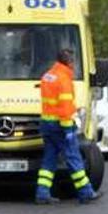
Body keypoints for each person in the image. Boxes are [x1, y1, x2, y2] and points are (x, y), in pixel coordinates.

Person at [36, 48, 100, 204]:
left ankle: (42, 193)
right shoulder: (63, 79)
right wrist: (68, 129)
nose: (74, 64)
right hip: (60, 125)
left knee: (49, 160)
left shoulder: (48, 76)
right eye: (73, 61)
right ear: (69, 62)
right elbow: (64, 107)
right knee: (73, 158)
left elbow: (52, 103)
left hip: (47, 124)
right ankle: (86, 193)